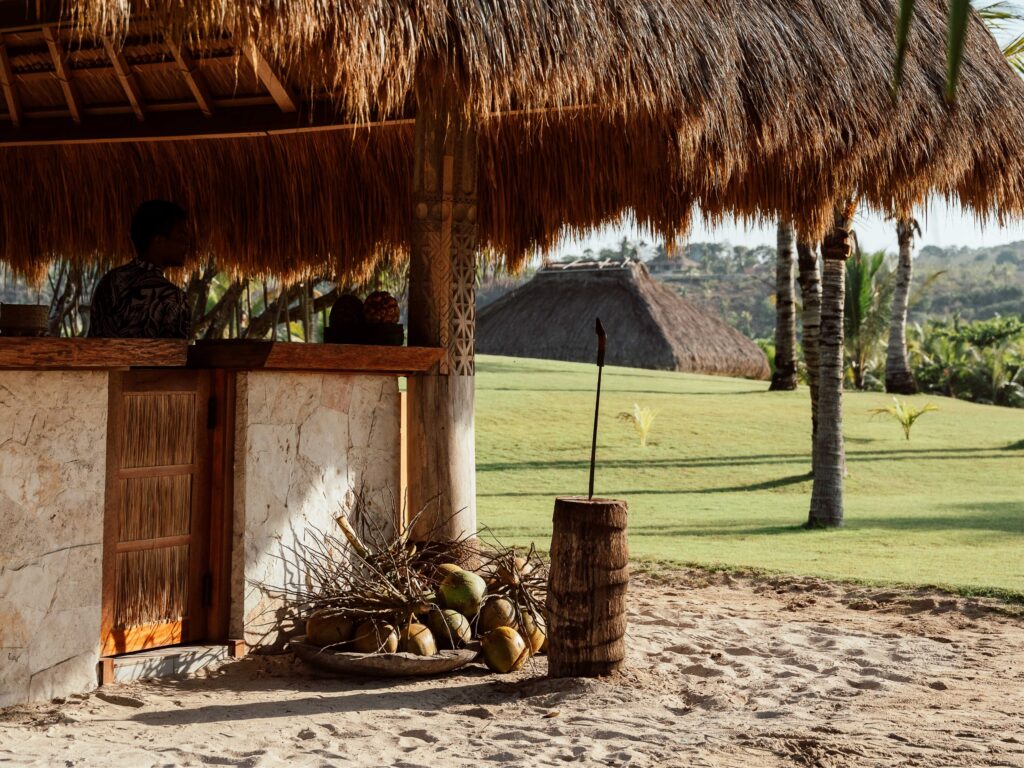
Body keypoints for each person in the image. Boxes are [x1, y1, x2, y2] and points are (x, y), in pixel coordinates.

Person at [89, 200, 193, 339]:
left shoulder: (109, 281)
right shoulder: (173, 298)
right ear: (158, 241)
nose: (187, 243)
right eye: (181, 237)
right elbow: (176, 356)